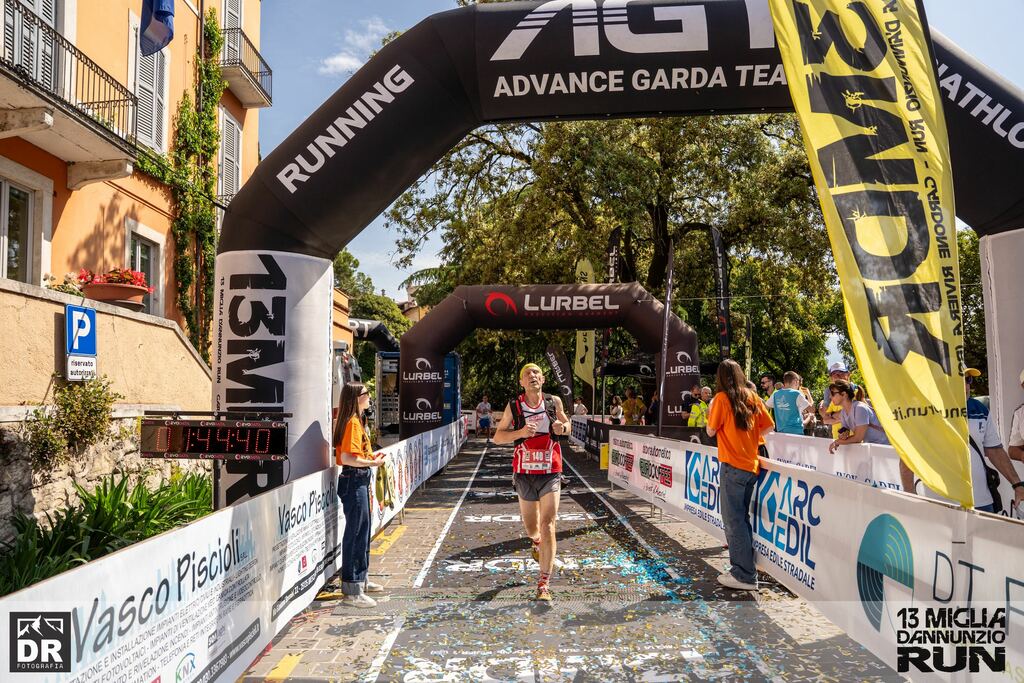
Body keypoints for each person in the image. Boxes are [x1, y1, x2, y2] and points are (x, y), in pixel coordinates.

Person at [493, 363, 572, 602]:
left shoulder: (553, 402)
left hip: (551, 471)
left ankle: (543, 583)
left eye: (536, 373)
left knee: (549, 524)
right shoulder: (514, 406)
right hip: (524, 472)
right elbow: (498, 437)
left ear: (543, 379)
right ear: (522, 383)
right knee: (532, 528)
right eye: (527, 374)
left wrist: (562, 427)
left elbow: (568, 426)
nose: (532, 376)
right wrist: (520, 433)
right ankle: (536, 542)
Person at [901, 368, 1024, 513]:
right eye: (958, 380)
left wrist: (1017, 485)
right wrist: (909, 495)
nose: (965, 385)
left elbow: (995, 450)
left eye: (967, 379)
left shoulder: (980, 409)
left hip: (981, 501)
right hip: (939, 503)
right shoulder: (924, 411)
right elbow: (908, 456)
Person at [706, 359, 774, 591]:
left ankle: (744, 575)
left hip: (732, 466)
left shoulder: (721, 399)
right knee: (741, 520)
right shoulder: (752, 397)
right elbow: (768, 427)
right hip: (751, 466)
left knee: (734, 522)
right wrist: (750, 436)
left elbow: (711, 430)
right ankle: (745, 571)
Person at [334, 382, 387, 608]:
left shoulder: (356, 421)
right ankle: (352, 589)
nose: (369, 397)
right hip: (354, 479)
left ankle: (360, 580)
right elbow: (348, 458)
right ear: (357, 398)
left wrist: (371, 459)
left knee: (363, 531)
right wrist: (373, 463)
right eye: (366, 393)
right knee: (356, 532)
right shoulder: (353, 423)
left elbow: (353, 455)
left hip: (357, 479)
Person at [827, 380, 889, 452]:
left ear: (844, 394)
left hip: (887, 447)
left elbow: (858, 438)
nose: (830, 397)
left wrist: (837, 442)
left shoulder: (860, 408)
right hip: (875, 449)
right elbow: (845, 430)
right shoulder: (843, 412)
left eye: (832, 393)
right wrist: (843, 434)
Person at [765, 371, 813, 436]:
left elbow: (764, 408)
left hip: (781, 433)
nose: (798, 386)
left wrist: (769, 425)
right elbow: (812, 409)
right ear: (795, 381)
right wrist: (808, 394)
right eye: (798, 383)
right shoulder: (797, 393)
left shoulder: (775, 394)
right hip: (796, 432)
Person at [819, 362, 852, 438]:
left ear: (848, 374)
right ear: (831, 378)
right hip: (836, 436)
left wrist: (832, 416)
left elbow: (854, 413)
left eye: (841, 373)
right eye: (834, 374)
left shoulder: (855, 389)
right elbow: (825, 417)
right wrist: (844, 417)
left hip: (854, 437)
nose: (837, 377)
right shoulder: (828, 391)